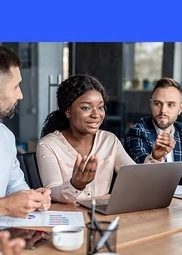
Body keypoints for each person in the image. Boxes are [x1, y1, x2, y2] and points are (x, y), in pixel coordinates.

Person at [36, 74, 161, 204]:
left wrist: (155, 158)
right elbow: (51, 191)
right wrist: (75, 185)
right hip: (69, 218)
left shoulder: (109, 140)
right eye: (86, 108)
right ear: (68, 111)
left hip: (103, 216)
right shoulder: (48, 144)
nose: (96, 114)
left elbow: (136, 178)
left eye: (100, 107)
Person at [0, 42, 51, 227]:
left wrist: (32, 199)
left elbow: (15, 184)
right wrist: (4, 207)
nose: (21, 95)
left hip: (3, 240)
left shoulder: (5, 136)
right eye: (16, 86)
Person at [123, 77, 182, 186]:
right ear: (151, 104)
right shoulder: (137, 132)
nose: (163, 110)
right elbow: (149, 173)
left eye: (170, 104)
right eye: (157, 104)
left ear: (180, 108)